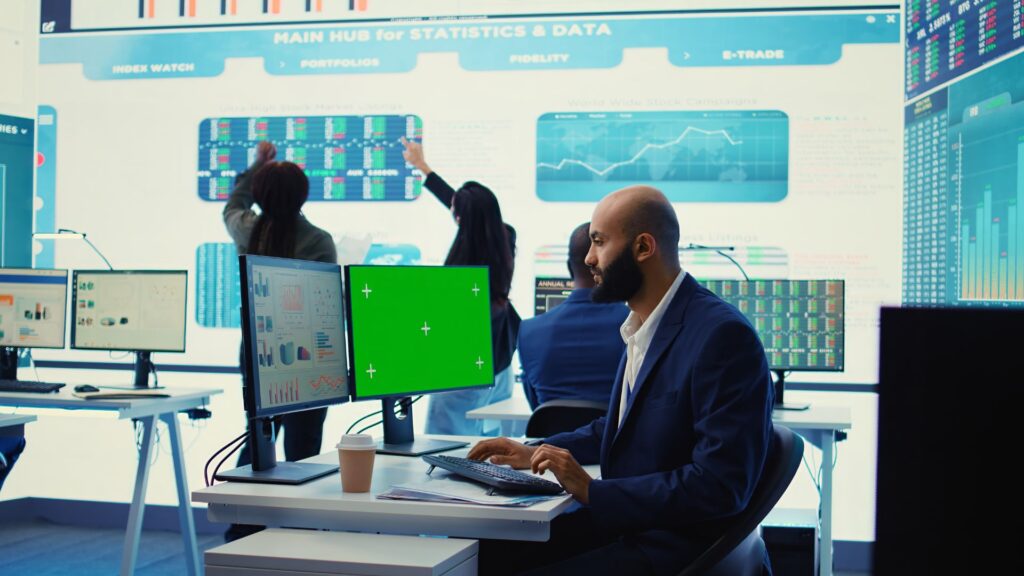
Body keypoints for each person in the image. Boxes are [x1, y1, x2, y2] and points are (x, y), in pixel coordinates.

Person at [468, 186, 775, 575]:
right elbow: (616, 431)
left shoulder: (720, 336)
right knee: (490, 553)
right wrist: (537, 451)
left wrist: (593, 491)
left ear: (643, 248)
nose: (588, 258)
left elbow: (718, 486)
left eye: (599, 242)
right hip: (634, 527)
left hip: (674, 549)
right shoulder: (642, 325)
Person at [222, 142, 336, 540]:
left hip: (257, 353)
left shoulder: (246, 229)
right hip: (308, 357)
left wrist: (257, 164)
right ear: (303, 195)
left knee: (259, 438)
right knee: (304, 448)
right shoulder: (319, 240)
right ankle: (301, 530)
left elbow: (231, 204)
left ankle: (243, 524)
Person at [401, 137, 520, 436]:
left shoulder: (460, 268)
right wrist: (424, 169)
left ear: (459, 218)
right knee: (494, 448)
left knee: (446, 447)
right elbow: (469, 208)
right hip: (500, 362)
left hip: (463, 368)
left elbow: (465, 208)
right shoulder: (505, 237)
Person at [518, 222, 629, 409]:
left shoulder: (528, 331)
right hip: (618, 438)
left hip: (550, 438)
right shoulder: (639, 325)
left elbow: (535, 405)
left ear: (569, 267)